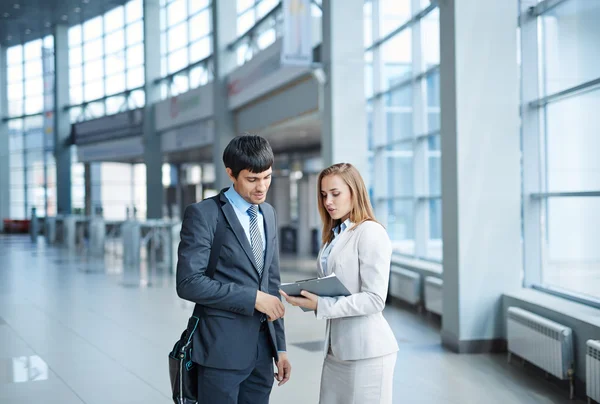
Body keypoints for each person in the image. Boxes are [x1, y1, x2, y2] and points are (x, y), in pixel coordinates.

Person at [176, 134, 292, 404]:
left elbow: (271, 284)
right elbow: (189, 282)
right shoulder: (205, 214)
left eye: (267, 177)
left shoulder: (269, 214)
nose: (262, 187)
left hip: (263, 354)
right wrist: (252, 298)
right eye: (252, 179)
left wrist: (281, 348)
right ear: (231, 173)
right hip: (220, 353)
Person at [280, 162, 398, 404]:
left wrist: (321, 305)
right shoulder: (334, 235)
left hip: (367, 353)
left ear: (354, 192)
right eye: (324, 195)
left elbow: (375, 299)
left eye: (335, 194)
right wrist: (307, 296)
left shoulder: (371, 233)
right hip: (336, 351)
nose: (328, 202)